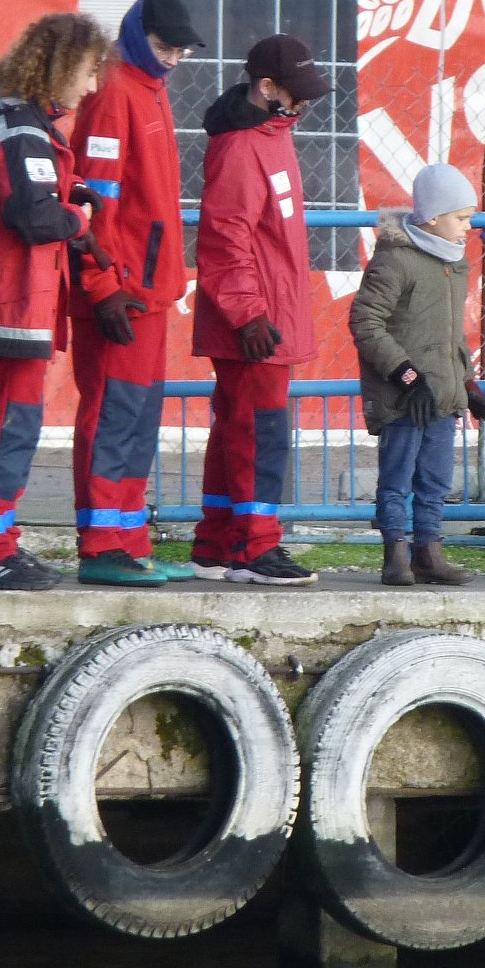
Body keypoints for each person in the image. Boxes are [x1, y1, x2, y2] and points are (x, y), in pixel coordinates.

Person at [0, 11, 110, 591]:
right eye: (88, 72)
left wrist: (71, 189)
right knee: (11, 424)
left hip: (8, 300)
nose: (92, 86)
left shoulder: (22, 124)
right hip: (5, 304)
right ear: (60, 67)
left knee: (14, 422)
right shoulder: (21, 128)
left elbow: (32, 188)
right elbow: (32, 216)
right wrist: (78, 217)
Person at [66, 0, 206, 587]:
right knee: (112, 414)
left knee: (138, 419)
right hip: (121, 293)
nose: (172, 58)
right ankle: (102, 545)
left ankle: (128, 541)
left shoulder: (148, 89)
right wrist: (102, 286)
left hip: (146, 291)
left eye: (179, 51)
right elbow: (94, 198)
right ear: (135, 35)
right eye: (163, 46)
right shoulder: (114, 93)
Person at [191, 34, 331, 586]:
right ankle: (255, 547)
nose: (306, 103)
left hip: (263, 316)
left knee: (237, 427)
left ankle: (217, 544)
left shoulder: (271, 137)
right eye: (298, 93)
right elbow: (225, 239)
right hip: (255, 322)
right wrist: (248, 313)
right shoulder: (242, 147)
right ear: (267, 86)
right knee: (259, 430)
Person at [349, 164, 485, 587]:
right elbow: (365, 322)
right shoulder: (396, 260)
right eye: (461, 217)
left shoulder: (454, 261)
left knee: (435, 479)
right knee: (397, 477)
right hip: (405, 396)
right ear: (432, 218)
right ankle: (395, 553)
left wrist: (467, 385)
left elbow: (451, 337)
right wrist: (407, 376)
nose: (468, 227)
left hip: (441, 397)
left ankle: (428, 553)